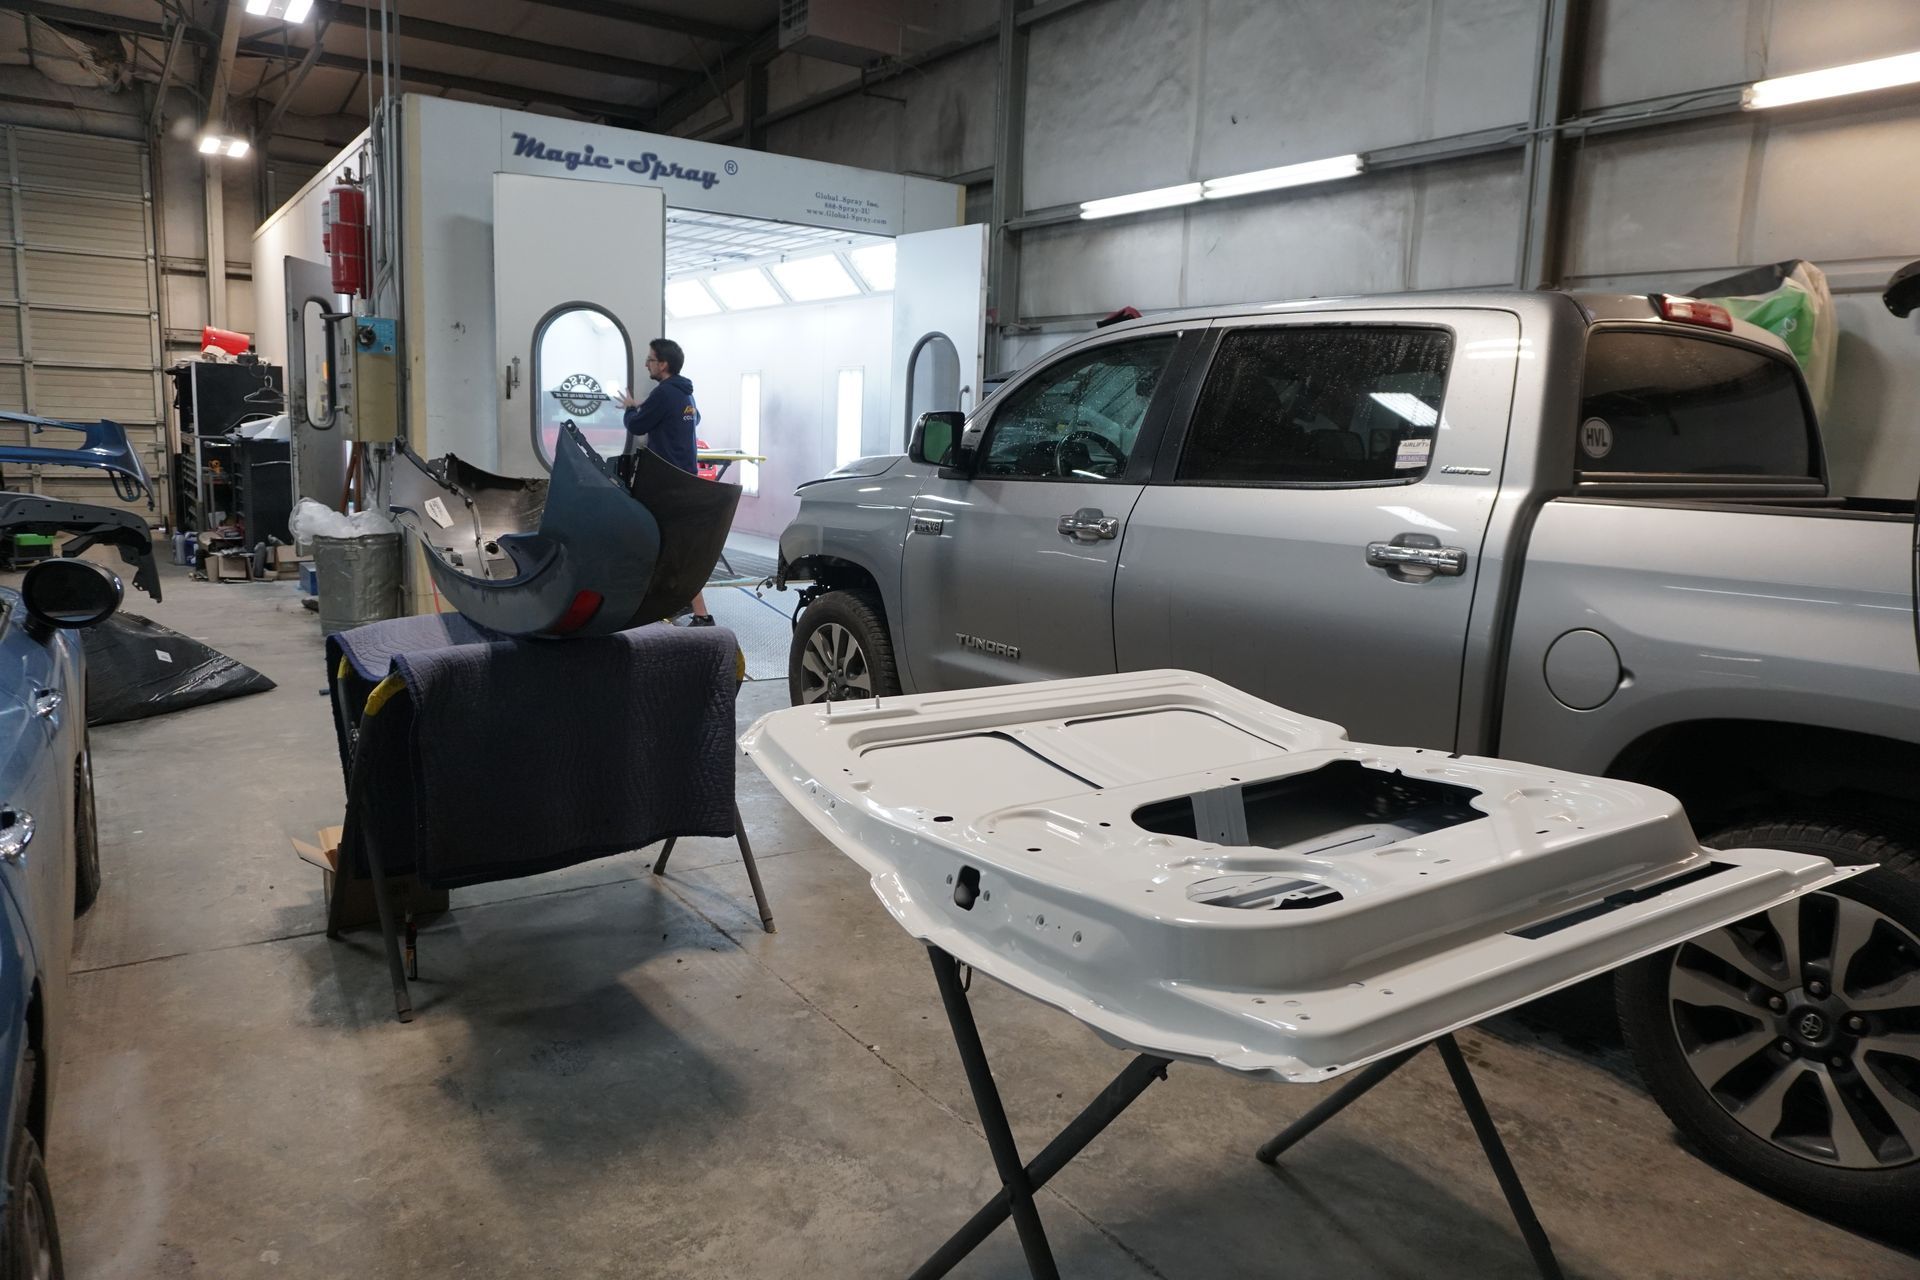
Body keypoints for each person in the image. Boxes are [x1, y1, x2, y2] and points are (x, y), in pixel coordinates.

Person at [618, 337, 713, 626]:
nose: (646, 364)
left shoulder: (664, 393)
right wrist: (646, 406)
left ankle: (700, 614)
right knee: (672, 546)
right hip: (685, 478)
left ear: (663, 364)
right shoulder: (685, 393)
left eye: (650, 359)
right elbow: (694, 419)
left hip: (667, 480)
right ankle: (681, 607)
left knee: (669, 547)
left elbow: (637, 425)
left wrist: (631, 409)